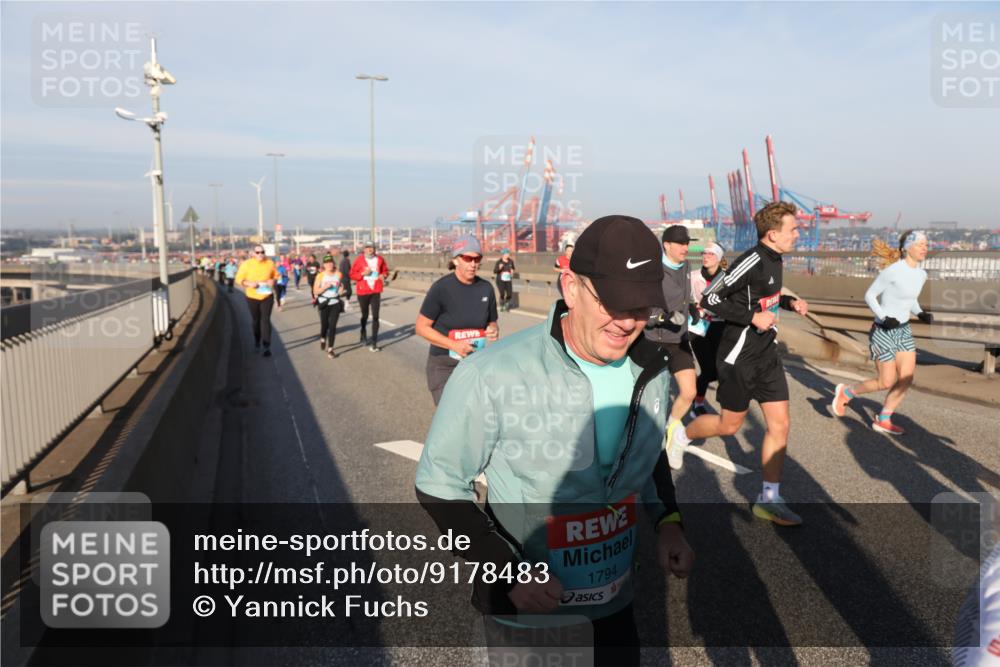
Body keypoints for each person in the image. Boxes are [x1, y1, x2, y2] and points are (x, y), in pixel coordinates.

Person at [415, 215, 694, 666]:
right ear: (571, 287)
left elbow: (646, 449)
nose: (627, 323)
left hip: (615, 603)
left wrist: (669, 525)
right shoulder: (491, 373)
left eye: (640, 308)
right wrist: (509, 572)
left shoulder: (652, 368)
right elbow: (439, 485)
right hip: (528, 610)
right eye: (614, 304)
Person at [667, 202, 810, 526]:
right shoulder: (753, 260)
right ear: (773, 234)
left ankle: (768, 500)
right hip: (739, 358)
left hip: (766, 356)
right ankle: (682, 436)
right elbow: (711, 298)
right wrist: (752, 317)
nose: (798, 234)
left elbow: (762, 298)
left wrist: (789, 302)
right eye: (793, 229)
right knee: (729, 426)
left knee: (781, 425)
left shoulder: (775, 259)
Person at [829, 230, 932, 434]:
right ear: (906, 248)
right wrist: (884, 317)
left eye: (926, 244)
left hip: (903, 331)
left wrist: (920, 312)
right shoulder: (893, 271)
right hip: (883, 331)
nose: (924, 248)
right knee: (885, 382)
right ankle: (847, 392)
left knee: (906, 377)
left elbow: (910, 298)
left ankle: (884, 418)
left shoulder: (921, 274)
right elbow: (870, 295)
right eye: (920, 244)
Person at [416, 235, 499, 405]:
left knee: (477, 416)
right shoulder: (441, 288)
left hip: (475, 364)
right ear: (455, 260)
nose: (473, 264)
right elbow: (421, 327)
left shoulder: (486, 288)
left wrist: (493, 329)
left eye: (477, 259)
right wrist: (453, 344)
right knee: (451, 415)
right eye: (468, 258)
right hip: (443, 365)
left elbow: (492, 322)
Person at [645, 225, 699, 459]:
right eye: (680, 243)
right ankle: (645, 436)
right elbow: (643, 313)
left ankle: (670, 428)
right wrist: (663, 317)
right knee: (652, 396)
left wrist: (694, 308)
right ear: (666, 245)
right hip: (655, 339)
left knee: (689, 391)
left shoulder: (686, 266)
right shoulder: (652, 271)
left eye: (687, 243)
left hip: (680, 338)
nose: (685, 248)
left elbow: (685, 296)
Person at [689, 242, 727, 416]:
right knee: (707, 369)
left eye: (710, 254)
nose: (705, 256)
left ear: (719, 258)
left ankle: (726, 406)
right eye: (704, 253)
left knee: (719, 370)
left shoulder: (728, 279)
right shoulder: (693, 276)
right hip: (699, 328)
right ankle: (697, 404)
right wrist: (692, 307)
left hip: (721, 326)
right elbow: (683, 299)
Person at [234, 245, 279, 357]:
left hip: (267, 296)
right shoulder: (247, 264)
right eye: (257, 252)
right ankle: (257, 340)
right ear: (253, 253)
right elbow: (238, 279)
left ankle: (266, 346)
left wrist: (273, 281)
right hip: (252, 296)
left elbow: (276, 276)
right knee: (256, 321)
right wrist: (249, 283)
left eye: (262, 252)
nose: (260, 254)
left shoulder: (270, 263)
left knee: (265, 320)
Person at [350, 242, 390, 351]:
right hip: (363, 291)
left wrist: (384, 275)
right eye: (367, 248)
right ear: (364, 249)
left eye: (371, 247)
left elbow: (385, 271)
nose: (370, 249)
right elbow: (352, 274)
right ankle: (363, 331)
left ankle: (374, 342)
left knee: (376, 316)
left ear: (374, 249)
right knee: (365, 315)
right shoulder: (359, 260)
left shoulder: (380, 259)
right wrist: (362, 274)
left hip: (375, 290)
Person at [313, 254, 346, 359]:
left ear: (333, 263)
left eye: (331, 262)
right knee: (324, 325)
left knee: (332, 327)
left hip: (335, 302)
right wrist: (324, 287)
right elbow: (315, 291)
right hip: (324, 303)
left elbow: (341, 286)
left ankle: (330, 349)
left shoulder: (339, 274)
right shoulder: (320, 275)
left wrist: (341, 291)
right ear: (324, 265)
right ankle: (323, 338)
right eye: (327, 263)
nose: (329, 264)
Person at [492, 248, 515, 312]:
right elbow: (495, 271)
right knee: (502, 293)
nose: (508, 255)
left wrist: (512, 273)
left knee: (509, 294)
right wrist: (499, 268)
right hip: (500, 280)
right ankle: (502, 305)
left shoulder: (511, 261)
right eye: (507, 254)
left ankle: (506, 305)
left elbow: (512, 268)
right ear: (503, 254)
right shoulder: (499, 262)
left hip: (508, 280)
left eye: (508, 254)